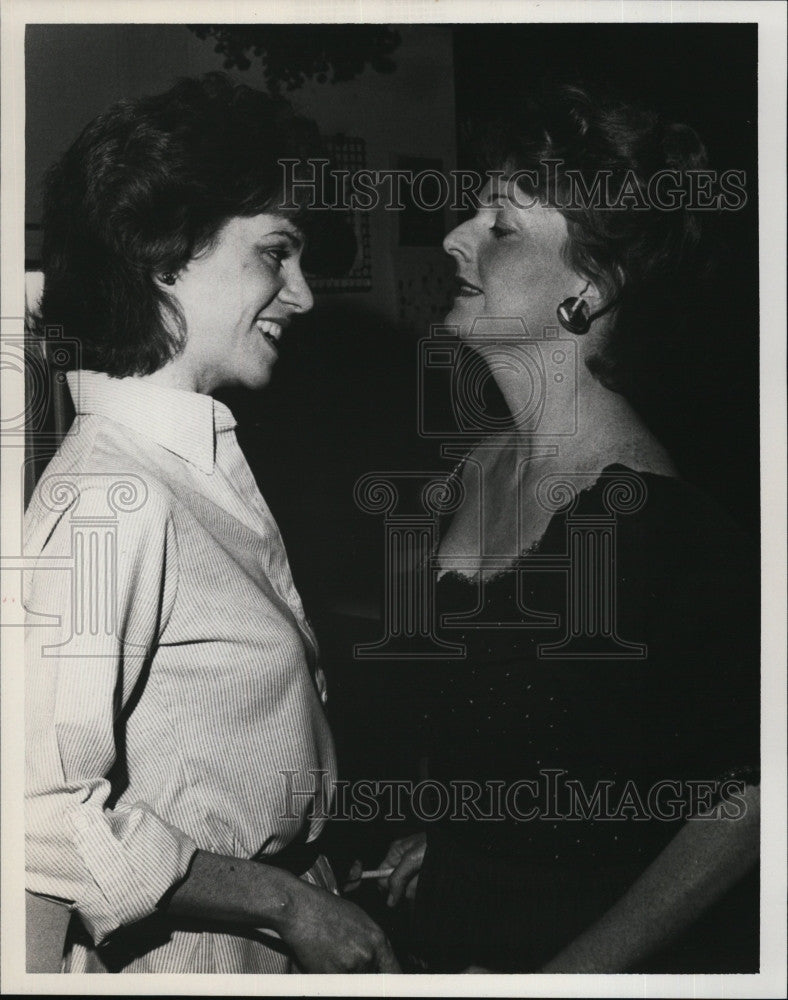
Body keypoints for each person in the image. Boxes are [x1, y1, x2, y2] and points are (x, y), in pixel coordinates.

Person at [367, 84, 760, 972]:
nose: (455, 237)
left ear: (589, 284)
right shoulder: (473, 469)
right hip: (456, 923)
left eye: (501, 227)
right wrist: (459, 837)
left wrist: (573, 973)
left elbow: (752, 797)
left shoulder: (659, 525)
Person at [24, 73, 399, 974]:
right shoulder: (113, 497)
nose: (304, 296)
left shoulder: (195, 463)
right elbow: (31, 812)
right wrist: (286, 902)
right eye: (277, 253)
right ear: (167, 252)